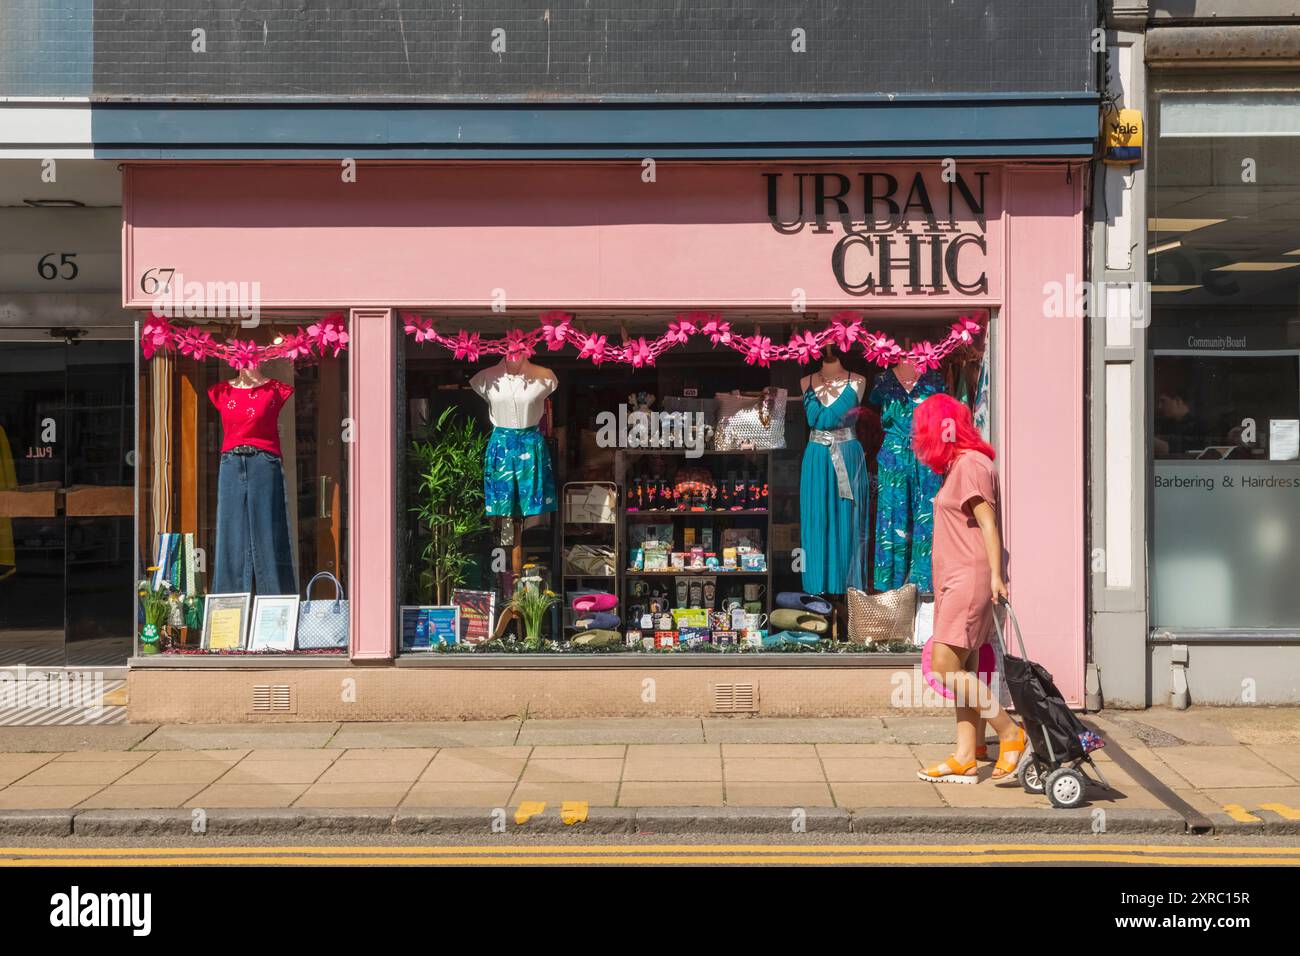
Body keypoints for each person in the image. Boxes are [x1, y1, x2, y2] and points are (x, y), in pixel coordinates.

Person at [910, 393, 1026, 784]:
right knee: (965, 668)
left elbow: (988, 523)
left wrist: (997, 576)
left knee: (944, 666)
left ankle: (1010, 734)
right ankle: (966, 753)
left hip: (968, 579)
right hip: (955, 579)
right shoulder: (962, 465)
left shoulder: (972, 465)